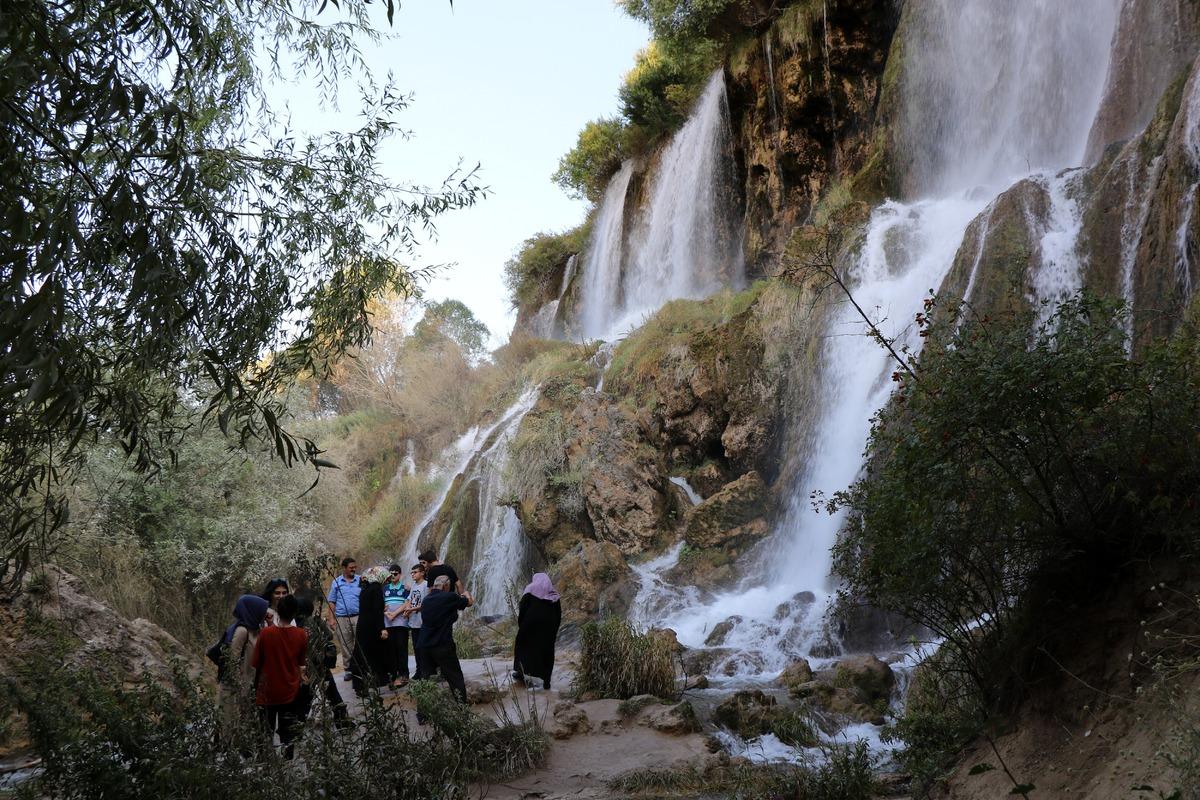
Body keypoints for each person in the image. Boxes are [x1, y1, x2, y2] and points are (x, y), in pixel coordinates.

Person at [250, 595, 308, 758]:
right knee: (288, 724)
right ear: (295, 613)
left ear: (278, 612)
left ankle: (264, 755)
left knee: (266, 725)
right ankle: (288, 753)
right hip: (289, 689)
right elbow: (301, 663)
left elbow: (256, 663)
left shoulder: (266, 634)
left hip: (267, 690)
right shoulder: (301, 634)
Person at [414, 575, 473, 704]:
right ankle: (462, 709)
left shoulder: (426, 600)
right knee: (455, 677)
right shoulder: (449, 597)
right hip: (442, 644)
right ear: (446, 586)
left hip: (423, 645)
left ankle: (422, 713)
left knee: (425, 678)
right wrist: (466, 594)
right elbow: (468, 603)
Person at [294, 593, 350, 727]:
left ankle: (298, 727)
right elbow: (329, 636)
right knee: (333, 695)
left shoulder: (299, 625)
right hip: (321, 664)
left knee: (305, 698)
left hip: (310, 667)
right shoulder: (313, 622)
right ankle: (342, 722)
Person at [218, 594, 270, 733]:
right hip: (234, 689)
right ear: (253, 610)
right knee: (230, 727)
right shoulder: (241, 631)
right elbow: (232, 662)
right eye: (262, 609)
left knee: (244, 726)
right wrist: (240, 688)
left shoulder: (256, 629)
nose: (265, 612)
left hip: (247, 687)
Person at [511, 573, 562, 690]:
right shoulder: (554, 595)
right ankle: (546, 681)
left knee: (522, 645)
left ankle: (520, 672)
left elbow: (522, 607)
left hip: (530, 625)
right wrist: (554, 630)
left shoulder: (530, 589)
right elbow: (558, 614)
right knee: (547, 651)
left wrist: (521, 624)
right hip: (548, 629)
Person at [350, 565, 391, 695]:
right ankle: (379, 680)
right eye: (386, 579)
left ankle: (359, 685)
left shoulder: (365, 589)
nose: (386, 582)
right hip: (372, 627)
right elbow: (376, 611)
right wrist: (382, 629)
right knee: (375, 653)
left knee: (361, 653)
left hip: (362, 625)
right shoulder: (376, 589)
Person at [327, 557, 360, 676]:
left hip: (358, 617)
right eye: (351, 568)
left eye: (355, 567)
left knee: (359, 643)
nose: (354, 570)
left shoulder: (361, 580)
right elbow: (332, 601)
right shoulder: (336, 582)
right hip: (341, 618)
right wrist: (331, 619)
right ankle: (348, 670)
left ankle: (361, 669)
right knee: (346, 644)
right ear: (344, 568)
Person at [382, 564, 410, 688]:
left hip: (401, 623)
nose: (393, 576)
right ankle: (392, 676)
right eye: (391, 573)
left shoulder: (405, 588)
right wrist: (386, 613)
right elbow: (381, 603)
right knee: (390, 650)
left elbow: (407, 603)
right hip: (387, 623)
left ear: (400, 574)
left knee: (401, 648)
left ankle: (404, 675)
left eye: (396, 573)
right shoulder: (384, 588)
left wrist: (394, 613)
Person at [401, 563, 427, 679]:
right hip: (414, 622)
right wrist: (407, 610)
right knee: (416, 647)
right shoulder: (414, 585)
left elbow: (426, 603)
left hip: (423, 622)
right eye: (411, 573)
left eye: (415, 572)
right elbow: (409, 599)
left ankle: (426, 671)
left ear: (422, 573)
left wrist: (411, 609)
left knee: (423, 648)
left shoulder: (426, 585)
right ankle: (419, 671)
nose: (412, 574)